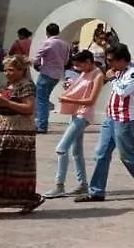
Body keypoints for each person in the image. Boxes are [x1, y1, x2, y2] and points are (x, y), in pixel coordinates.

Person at [75, 43, 134, 203]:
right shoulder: (119, 72)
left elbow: (123, 91)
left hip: (125, 119)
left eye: (112, 61)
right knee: (101, 153)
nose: (110, 64)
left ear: (122, 60)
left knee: (127, 155)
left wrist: (112, 77)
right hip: (111, 117)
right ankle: (96, 191)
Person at [44, 49, 105, 198]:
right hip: (76, 113)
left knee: (62, 148)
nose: (78, 68)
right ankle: (83, 183)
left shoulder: (97, 75)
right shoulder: (85, 73)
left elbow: (91, 100)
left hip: (83, 115)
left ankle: (59, 185)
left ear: (88, 62)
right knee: (76, 151)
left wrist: (68, 99)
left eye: (79, 65)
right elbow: (78, 88)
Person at [0, 56, 44, 214]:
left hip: (19, 132)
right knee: (4, 168)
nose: (7, 73)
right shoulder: (9, 85)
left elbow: (29, 108)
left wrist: (7, 103)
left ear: (21, 70)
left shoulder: (26, 85)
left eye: (11, 69)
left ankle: (27, 198)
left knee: (16, 168)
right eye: (5, 70)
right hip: (4, 128)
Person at [32, 22, 70, 133]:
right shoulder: (65, 45)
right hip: (57, 75)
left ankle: (42, 125)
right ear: (58, 32)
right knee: (45, 99)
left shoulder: (48, 43)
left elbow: (37, 57)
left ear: (47, 32)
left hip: (46, 73)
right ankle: (42, 123)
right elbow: (66, 61)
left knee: (41, 100)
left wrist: (37, 66)